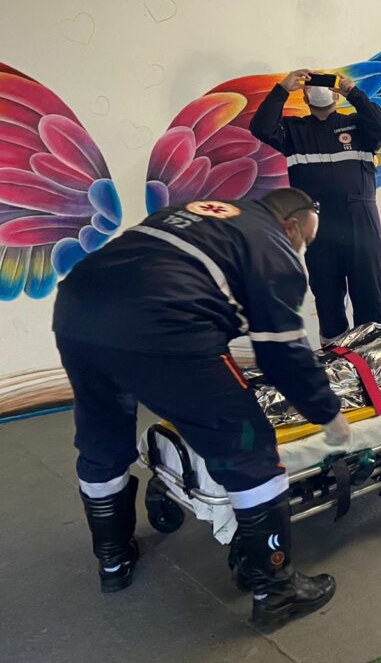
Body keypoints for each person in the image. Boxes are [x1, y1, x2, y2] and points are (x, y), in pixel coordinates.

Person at [53, 188, 349, 628]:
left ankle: (112, 561)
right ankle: (277, 589)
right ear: (291, 226)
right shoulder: (273, 245)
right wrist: (326, 412)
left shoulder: (203, 215)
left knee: (102, 435)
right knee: (250, 449)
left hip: (77, 310)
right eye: (305, 241)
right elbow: (282, 353)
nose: (302, 250)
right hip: (164, 325)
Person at [251, 70, 381, 344]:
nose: (318, 89)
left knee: (369, 291)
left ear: (336, 95)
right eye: (311, 86)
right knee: (327, 294)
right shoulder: (293, 131)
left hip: (360, 223)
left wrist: (353, 93)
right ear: (304, 97)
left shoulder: (359, 126)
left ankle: (372, 355)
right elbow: (261, 127)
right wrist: (283, 89)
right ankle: (335, 357)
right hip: (318, 227)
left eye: (326, 84)